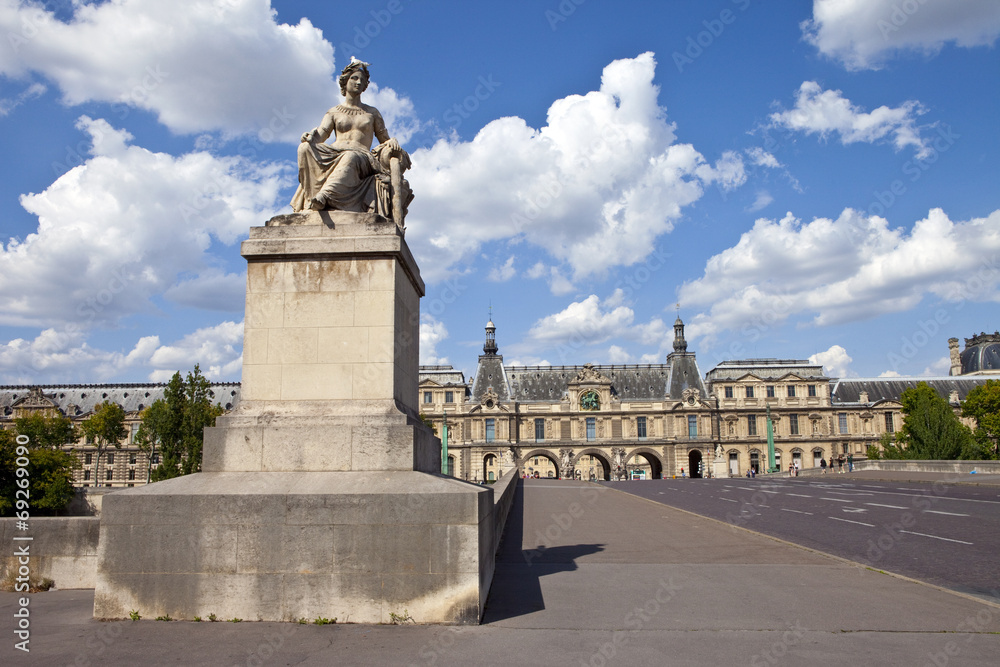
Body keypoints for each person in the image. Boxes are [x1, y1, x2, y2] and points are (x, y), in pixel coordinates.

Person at [291, 59, 412, 218]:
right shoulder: (334, 111)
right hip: (335, 151)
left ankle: (324, 196)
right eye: (354, 78)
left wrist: (392, 141)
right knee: (304, 148)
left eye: (362, 80)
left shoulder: (372, 113)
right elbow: (321, 134)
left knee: (350, 156)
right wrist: (309, 137)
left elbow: (384, 139)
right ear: (345, 81)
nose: (359, 82)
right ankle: (311, 198)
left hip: (361, 156)